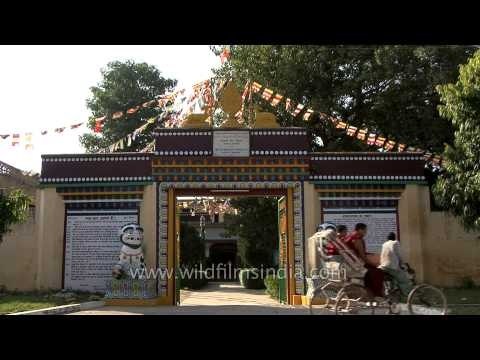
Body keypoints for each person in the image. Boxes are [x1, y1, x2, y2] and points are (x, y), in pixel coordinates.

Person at [344, 223, 385, 298]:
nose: (366, 232)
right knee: (378, 272)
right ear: (360, 230)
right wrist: (374, 264)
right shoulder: (357, 239)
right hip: (356, 263)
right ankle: (377, 294)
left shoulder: (349, 236)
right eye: (365, 230)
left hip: (350, 261)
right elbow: (363, 257)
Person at [378, 232, 413, 297]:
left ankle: (391, 292)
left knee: (393, 277)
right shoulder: (395, 243)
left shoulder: (384, 244)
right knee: (404, 280)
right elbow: (399, 255)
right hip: (391, 266)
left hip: (383, 266)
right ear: (394, 238)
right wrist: (403, 264)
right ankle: (407, 295)